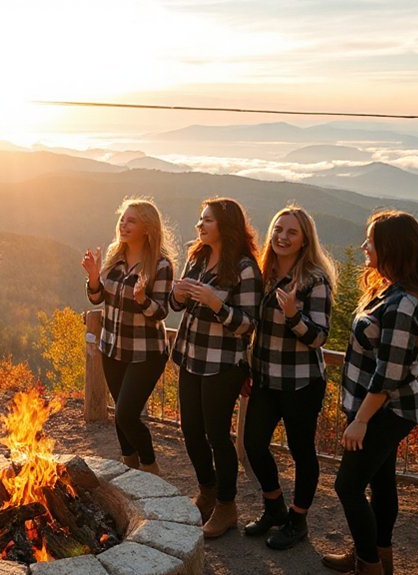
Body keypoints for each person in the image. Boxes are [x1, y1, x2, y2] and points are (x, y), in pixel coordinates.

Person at [323, 210, 418, 575]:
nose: (364, 246)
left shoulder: (405, 303)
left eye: (371, 241)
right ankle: (378, 554)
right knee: (381, 480)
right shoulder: (388, 289)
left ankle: (369, 565)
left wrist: (360, 420)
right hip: (372, 407)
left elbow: (389, 374)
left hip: (384, 410)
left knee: (347, 486)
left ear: (391, 247)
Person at [243, 205, 335, 550]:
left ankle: (298, 520)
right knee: (253, 444)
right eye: (278, 229)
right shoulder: (263, 274)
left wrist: (294, 315)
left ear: (304, 239)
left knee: (302, 452)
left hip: (301, 383)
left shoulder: (314, 280)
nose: (282, 237)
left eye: (291, 232)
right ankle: (274, 506)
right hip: (266, 379)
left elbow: (319, 337)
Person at [171, 197, 262, 538]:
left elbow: (248, 324)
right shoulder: (198, 257)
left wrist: (215, 303)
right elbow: (175, 305)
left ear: (225, 225)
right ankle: (207, 491)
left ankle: (227, 505)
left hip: (223, 364)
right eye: (200, 219)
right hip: (191, 356)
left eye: (207, 220)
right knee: (191, 430)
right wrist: (178, 294)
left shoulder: (245, 268)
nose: (200, 225)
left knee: (217, 435)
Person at [82, 198, 176, 475]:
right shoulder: (115, 257)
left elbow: (160, 312)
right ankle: (129, 469)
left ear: (147, 228)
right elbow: (98, 298)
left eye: (131, 220)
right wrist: (93, 278)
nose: (123, 224)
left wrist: (142, 299)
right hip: (112, 348)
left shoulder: (161, 265)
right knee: (120, 418)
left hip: (146, 353)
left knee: (126, 414)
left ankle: (150, 467)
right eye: (123, 219)